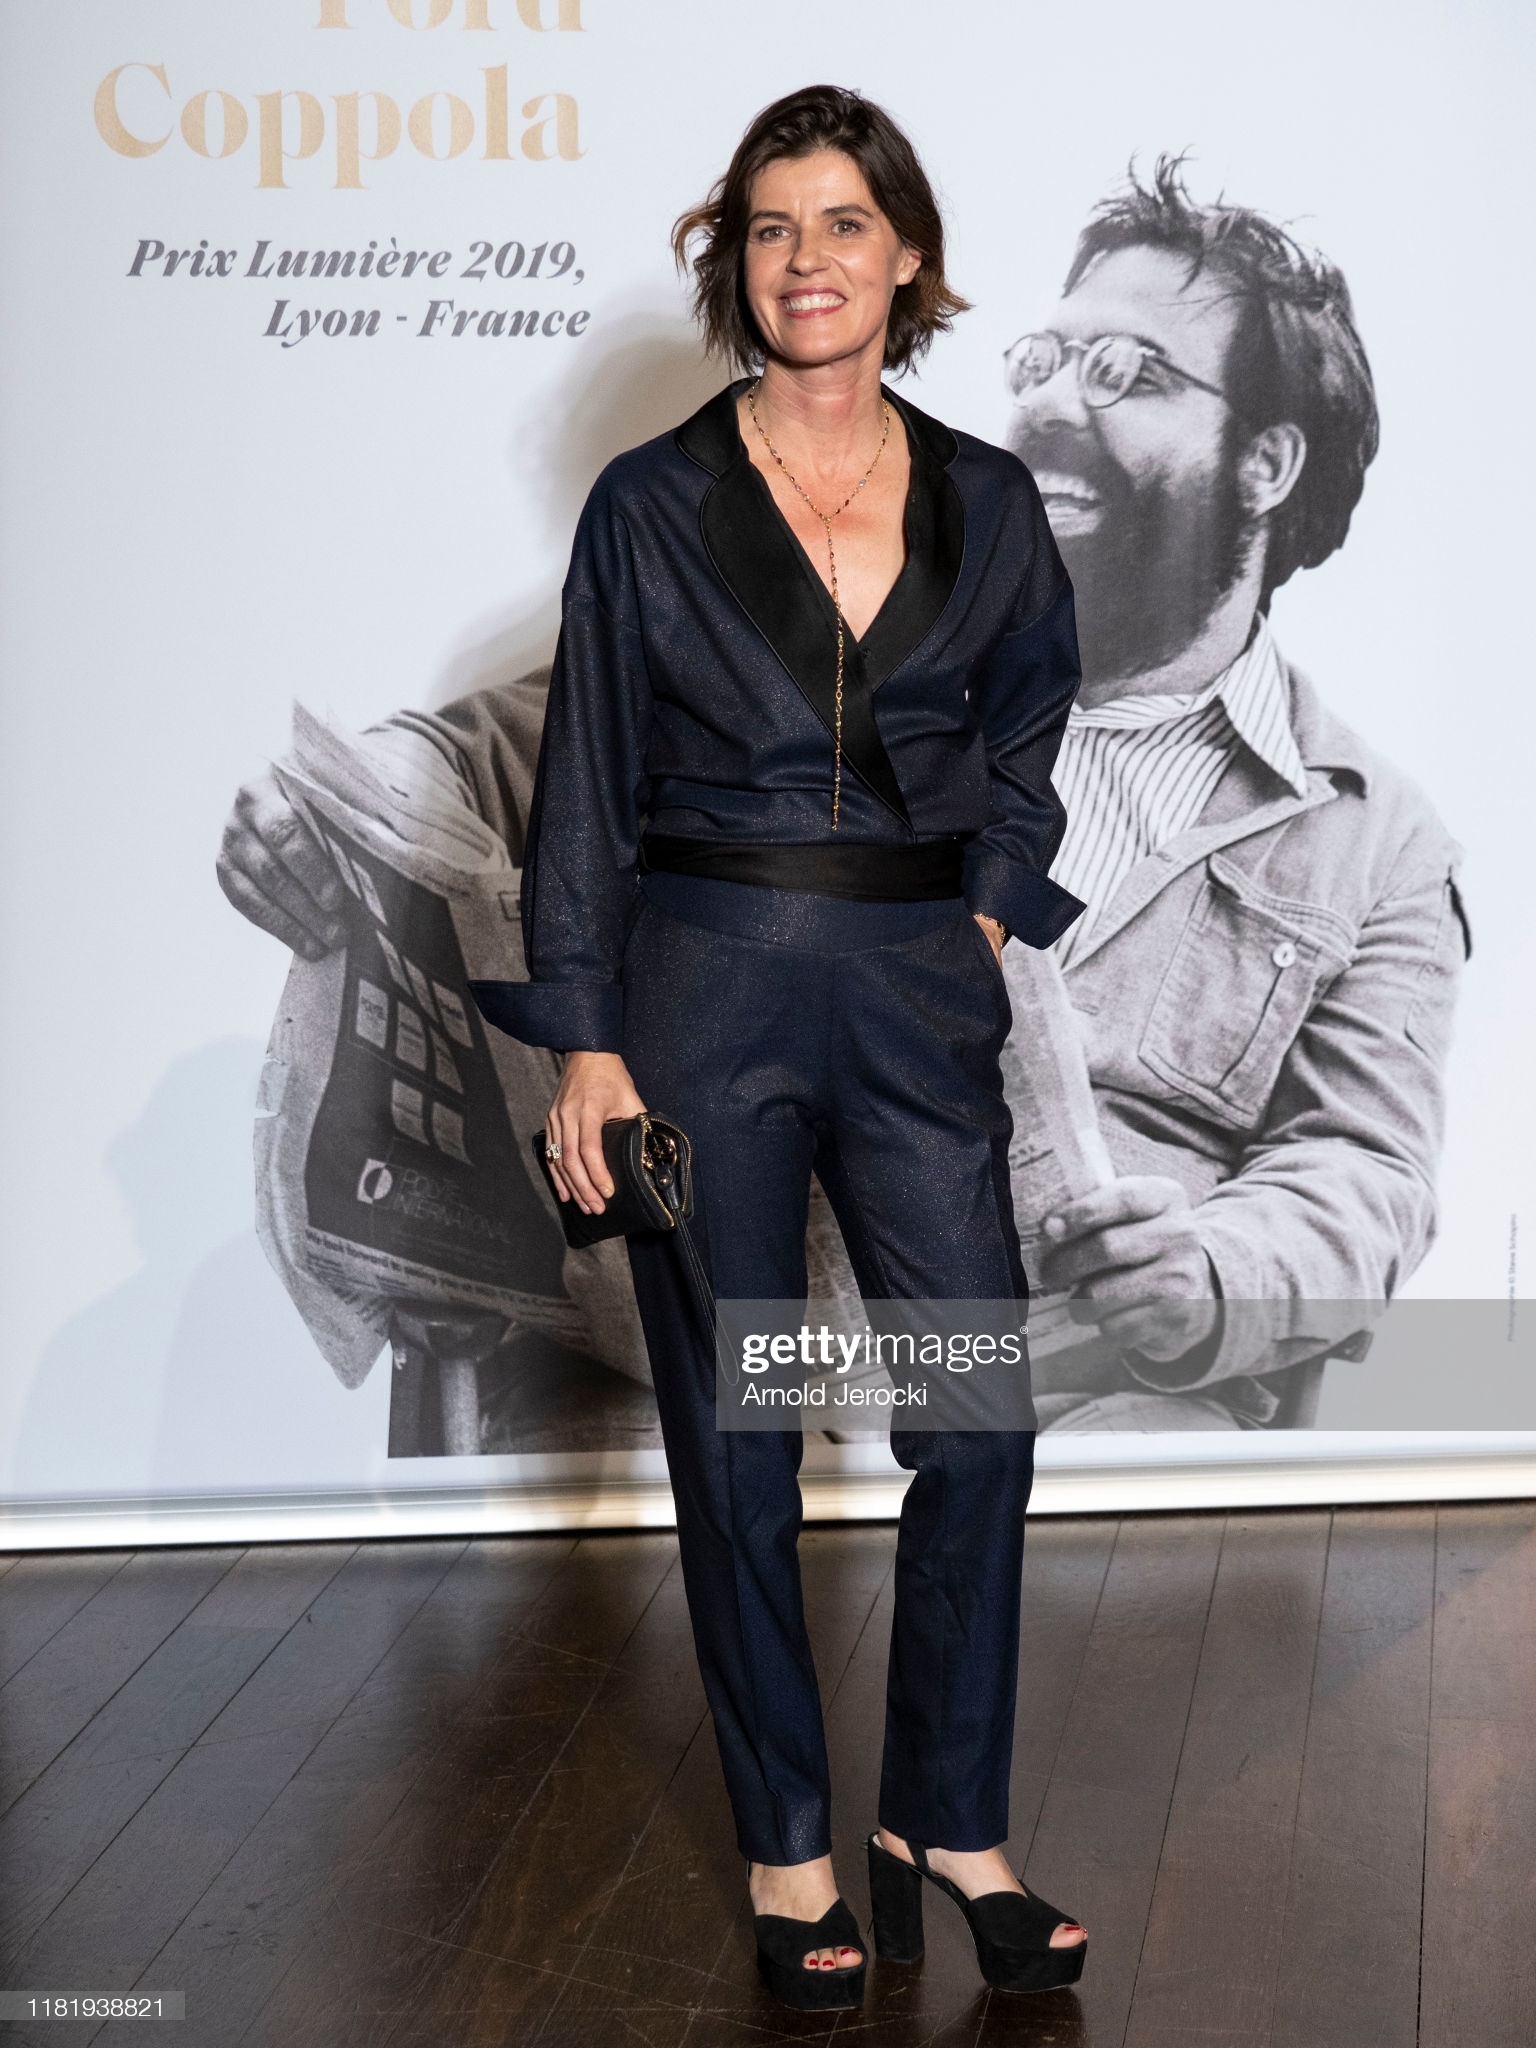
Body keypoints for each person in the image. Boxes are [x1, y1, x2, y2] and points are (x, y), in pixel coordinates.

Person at [467, 85, 1091, 2010]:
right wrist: (587, 1044)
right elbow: (585, 788)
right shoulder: (651, 503)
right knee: (739, 1435)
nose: (804, 259)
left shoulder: (988, 500)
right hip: (704, 989)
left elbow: (1030, 727)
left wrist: (975, 912)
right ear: (732, 264)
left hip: (914, 995)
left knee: (979, 1417)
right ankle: (792, 1844)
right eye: (768, 227)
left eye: (841, 223)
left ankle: (949, 1822)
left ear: (907, 257)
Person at [1000, 158, 1468, 1426]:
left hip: (1086, 1394)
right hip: (795, 1352)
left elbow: (1364, 1167)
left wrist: (1212, 1273)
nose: (1053, 402)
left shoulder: (1377, 840)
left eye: (1128, 372)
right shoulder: (851, 699)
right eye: (1044, 360)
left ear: (1264, 463)